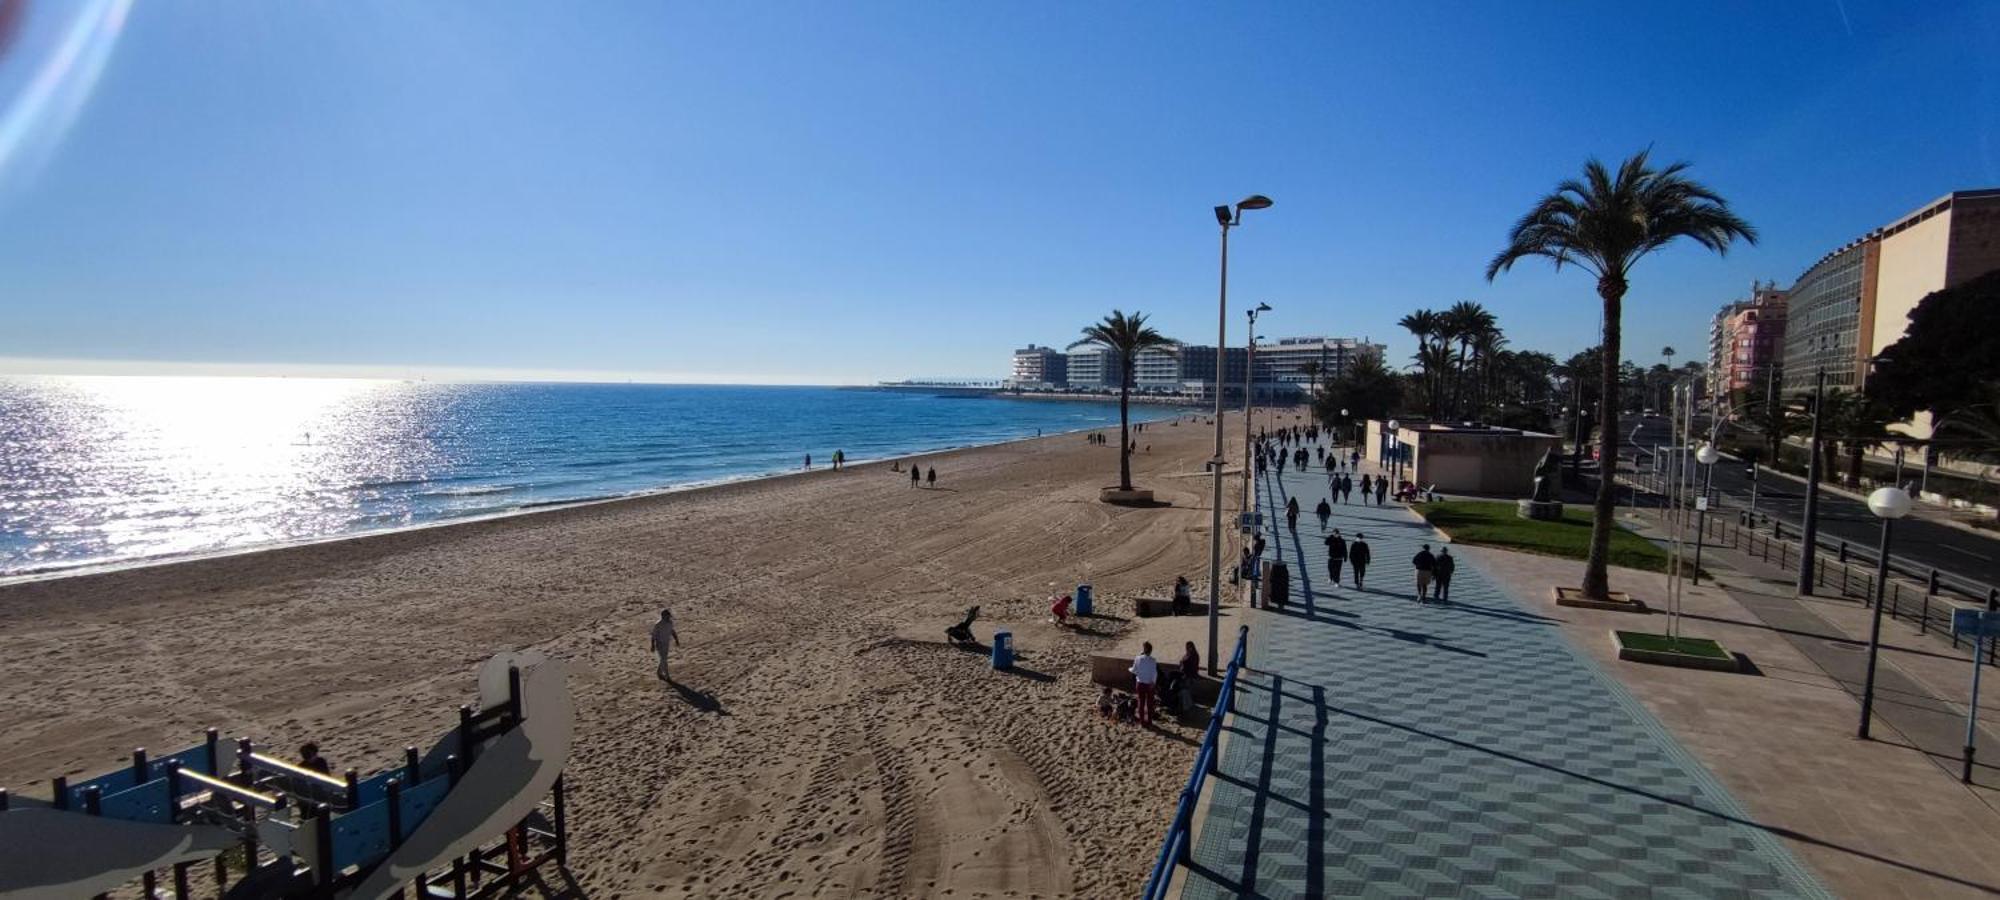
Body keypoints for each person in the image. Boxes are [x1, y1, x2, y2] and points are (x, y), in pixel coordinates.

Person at [1130, 642, 1159, 725]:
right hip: (1150, 684)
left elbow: (1134, 670)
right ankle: (1149, 720)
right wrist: (1153, 682)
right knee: (1150, 703)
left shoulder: (1138, 658)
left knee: (1141, 702)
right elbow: (1154, 673)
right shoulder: (1153, 660)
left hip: (1140, 683)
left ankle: (1142, 720)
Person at [650, 608, 682, 682]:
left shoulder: (670, 623)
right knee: (664, 659)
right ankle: (667, 676)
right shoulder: (658, 624)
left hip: (666, 643)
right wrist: (653, 645)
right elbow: (653, 636)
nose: (669, 617)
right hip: (659, 644)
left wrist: (676, 639)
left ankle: (659, 672)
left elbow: (672, 631)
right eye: (667, 616)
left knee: (663, 659)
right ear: (663, 616)